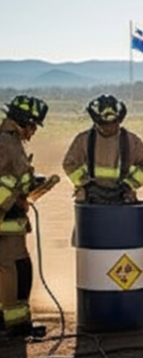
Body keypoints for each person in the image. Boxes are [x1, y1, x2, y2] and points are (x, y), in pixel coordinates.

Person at [0, 95, 49, 335]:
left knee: (18, 266)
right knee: (13, 268)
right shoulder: (7, 143)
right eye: (34, 126)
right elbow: (8, 181)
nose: (34, 132)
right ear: (24, 121)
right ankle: (14, 324)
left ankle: (13, 321)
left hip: (11, 214)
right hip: (6, 217)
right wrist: (18, 193)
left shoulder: (10, 140)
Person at [62, 94, 143, 204]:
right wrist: (85, 184)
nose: (109, 127)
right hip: (90, 197)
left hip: (122, 197)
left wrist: (129, 185)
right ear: (96, 121)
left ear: (119, 120)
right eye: (104, 124)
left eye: (113, 123)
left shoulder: (132, 141)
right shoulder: (83, 140)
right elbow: (69, 164)